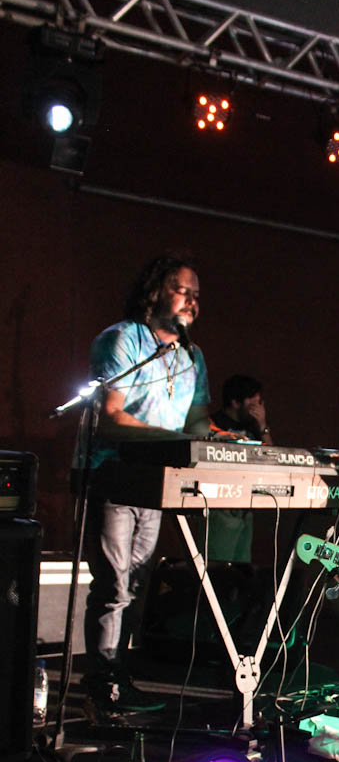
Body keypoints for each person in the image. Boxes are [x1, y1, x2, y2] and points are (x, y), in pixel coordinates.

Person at [81, 254, 210, 718]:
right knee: (113, 585)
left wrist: (212, 440)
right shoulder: (123, 339)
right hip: (115, 476)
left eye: (197, 295)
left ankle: (120, 677)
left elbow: (197, 419)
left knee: (137, 584)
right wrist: (174, 440)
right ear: (155, 292)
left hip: (157, 482)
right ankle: (102, 684)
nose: (192, 302)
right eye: (182, 291)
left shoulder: (192, 356)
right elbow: (111, 416)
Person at [205, 374, 273, 562]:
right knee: (218, 563)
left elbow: (272, 458)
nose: (258, 408)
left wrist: (262, 425)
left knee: (241, 566)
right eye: (254, 403)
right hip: (220, 507)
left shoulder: (253, 428)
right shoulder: (213, 424)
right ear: (236, 402)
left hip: (245, 506)